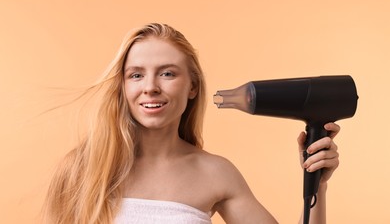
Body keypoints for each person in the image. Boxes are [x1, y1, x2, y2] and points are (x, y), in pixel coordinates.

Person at [42, 23, 340, 224]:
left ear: (193, 86)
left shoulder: (215, 173)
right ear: (122, 86)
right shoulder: (84, 168)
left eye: (168, 73)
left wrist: (319, 187)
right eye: (136, 75)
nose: (150, 87)